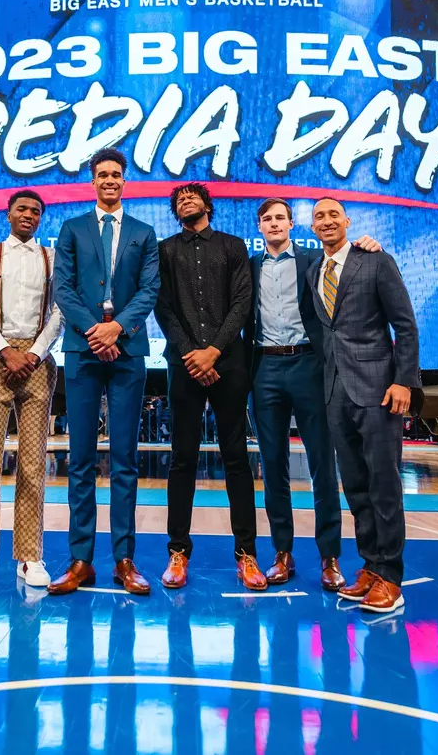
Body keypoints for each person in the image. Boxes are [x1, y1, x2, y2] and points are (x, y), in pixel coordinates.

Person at [251, 199, 381, 591]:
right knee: (272, 468)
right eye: (267, 219)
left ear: (292, 224)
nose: (274, 224)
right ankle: (282, 555)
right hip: (265, 369)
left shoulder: (313, 259)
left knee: (323, 466)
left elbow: (347, 263)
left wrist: (368, 247)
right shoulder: (249, 265)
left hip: (310, 365)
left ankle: (329, 557)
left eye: (280, 218)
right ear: (259, 228)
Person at [48, 147, 160, 595]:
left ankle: (124, 559)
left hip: (128, 351)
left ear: (124, 182)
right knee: (80, 460)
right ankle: (80, 560)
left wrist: (119, 329)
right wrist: (97, 330)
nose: (110, 181)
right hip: (83, 350)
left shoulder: (144, 232)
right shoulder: (72, 229)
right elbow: (64, 287)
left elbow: (150, 289)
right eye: (103, 175)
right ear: (92, 182)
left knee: (126, 460)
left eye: (116, 175)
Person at [307, 197, 420, 614]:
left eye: (334, 214)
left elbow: (405, 325)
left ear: (348, 221)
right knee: (355, 486)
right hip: (336, 393)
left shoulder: (375, 260)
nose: (327, 221)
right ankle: (371, 567)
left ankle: (391, 577)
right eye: (319, 216)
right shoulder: (313, 270)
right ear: (313, 226)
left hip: (379, 391)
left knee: (384, 485)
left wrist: (404, 380)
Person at [156, 182, 267, 591]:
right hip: (184, 365)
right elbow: (162, 307)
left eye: (192, 196)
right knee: (182, 459)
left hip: (229, 366)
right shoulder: (165, 250)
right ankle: (178, 551)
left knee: (236, 458)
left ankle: (246, 554)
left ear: (207, 205)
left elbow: (242, 303)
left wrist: (214, 351)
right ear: (175, 210)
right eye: (179, 198)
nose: (186, 200)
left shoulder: (233, 245)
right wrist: (192, 354)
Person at [0, 189, 63, 590]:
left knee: (34, 462)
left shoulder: (51, 258)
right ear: (9, 213)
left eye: (36, 211)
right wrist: (5, 351)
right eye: (23, 209)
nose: (29, 215)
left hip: (37, 362)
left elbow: (59, 312)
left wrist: (34, 353)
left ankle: (30, 556)